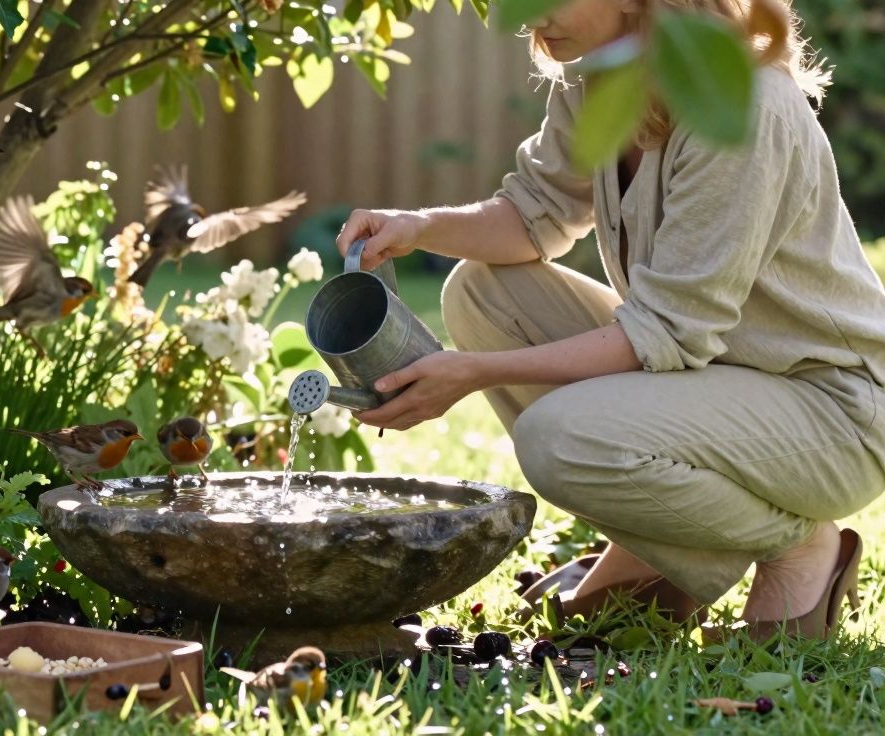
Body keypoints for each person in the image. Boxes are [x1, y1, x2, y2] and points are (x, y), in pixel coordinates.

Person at [334, 0, 885, 640]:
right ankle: (658, 555)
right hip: (713, 374)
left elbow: (667, 331)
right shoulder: (599, 77)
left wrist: (474, 371)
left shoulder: (740, 107)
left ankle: (798, 546)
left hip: (832, 410)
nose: (530, 17)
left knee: (557, 440)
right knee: (482, 293)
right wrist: (418, 227)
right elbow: (534, 215)